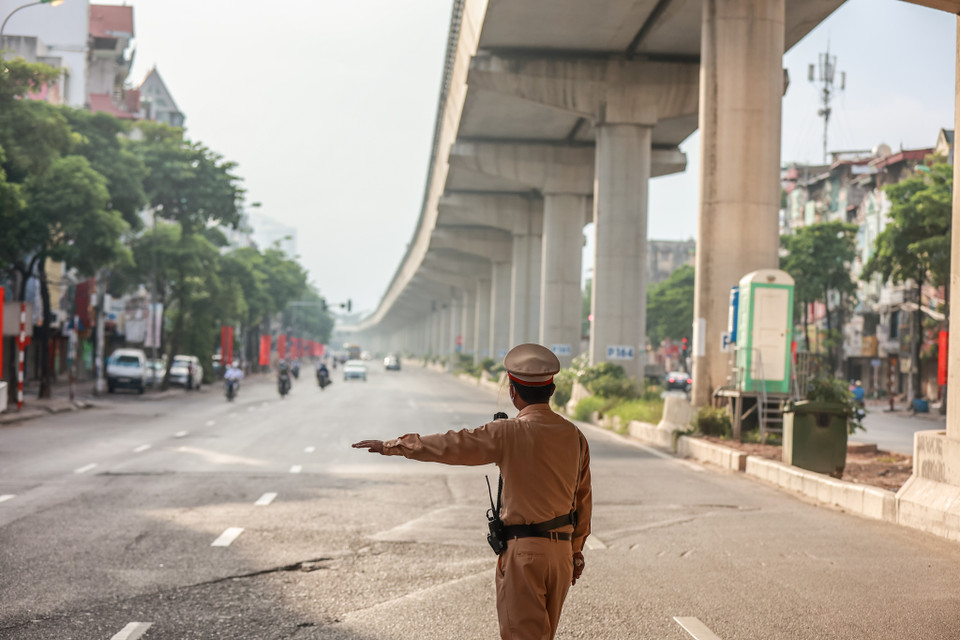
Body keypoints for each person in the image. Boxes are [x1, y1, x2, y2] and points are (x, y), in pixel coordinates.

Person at [352, 343, 592, 640]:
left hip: (525, 555)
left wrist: (392, 445)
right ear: (552, 389)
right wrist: (576, 553)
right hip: (561, 556)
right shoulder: (575, 436)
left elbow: (452, 444)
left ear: (512, 392)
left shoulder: (508, 432)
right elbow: (583, 501)